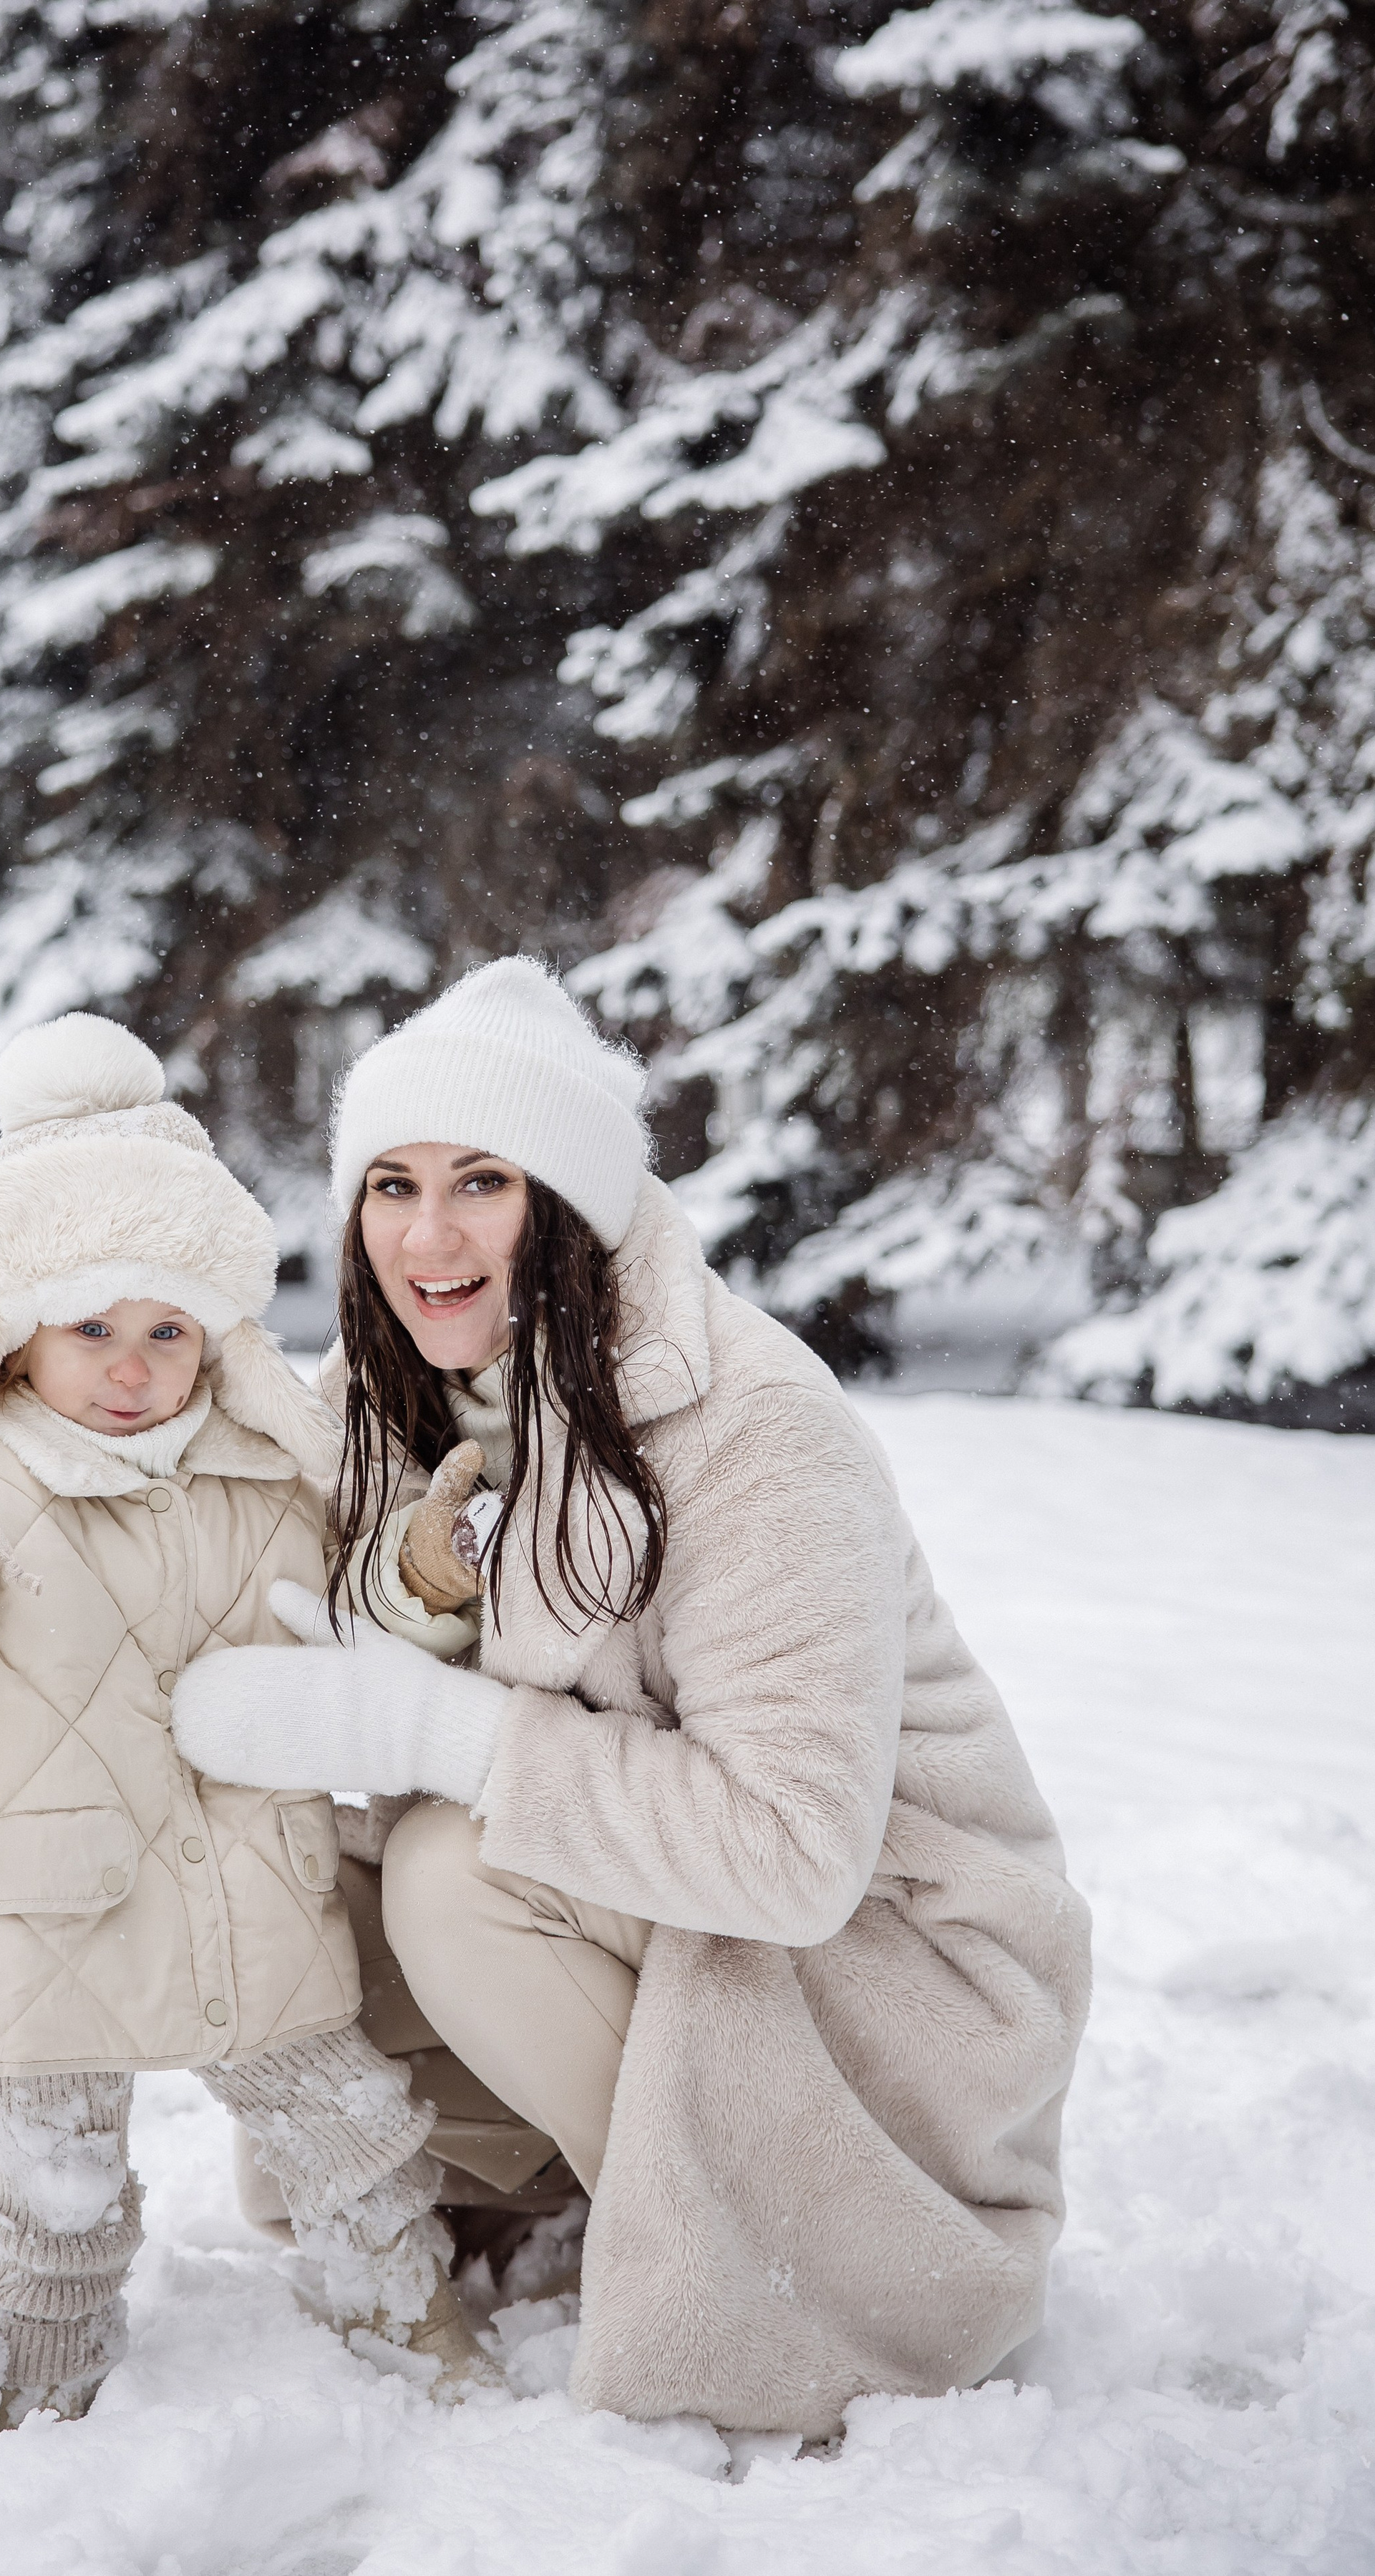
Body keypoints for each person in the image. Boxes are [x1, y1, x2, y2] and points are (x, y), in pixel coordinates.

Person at [172, 958, 1094, 2442]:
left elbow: (793, 1851)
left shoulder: (754, 1427)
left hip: (887, 1964)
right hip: (659, 1935)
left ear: (573, 1207)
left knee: (452, 1867)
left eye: (482, 1180)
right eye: (390, 1186)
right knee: (262, 1855)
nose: (428, 1236)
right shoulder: (376, 1396)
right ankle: (484, 2184)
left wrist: (427, 1730)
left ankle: (766, 2267)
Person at [0, 1013, 489, 2429]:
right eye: (91, 1326)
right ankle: (43, 2365)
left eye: (167, 1329)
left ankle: (397, 2299)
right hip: (42, 1890)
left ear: (215, 1337)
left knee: (343, 2124)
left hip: (242, 1884)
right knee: (58, 2172)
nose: (128, 1363)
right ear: (20, 1327)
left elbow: (346, 1617)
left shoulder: (263, 1468)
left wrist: (415, 1576)